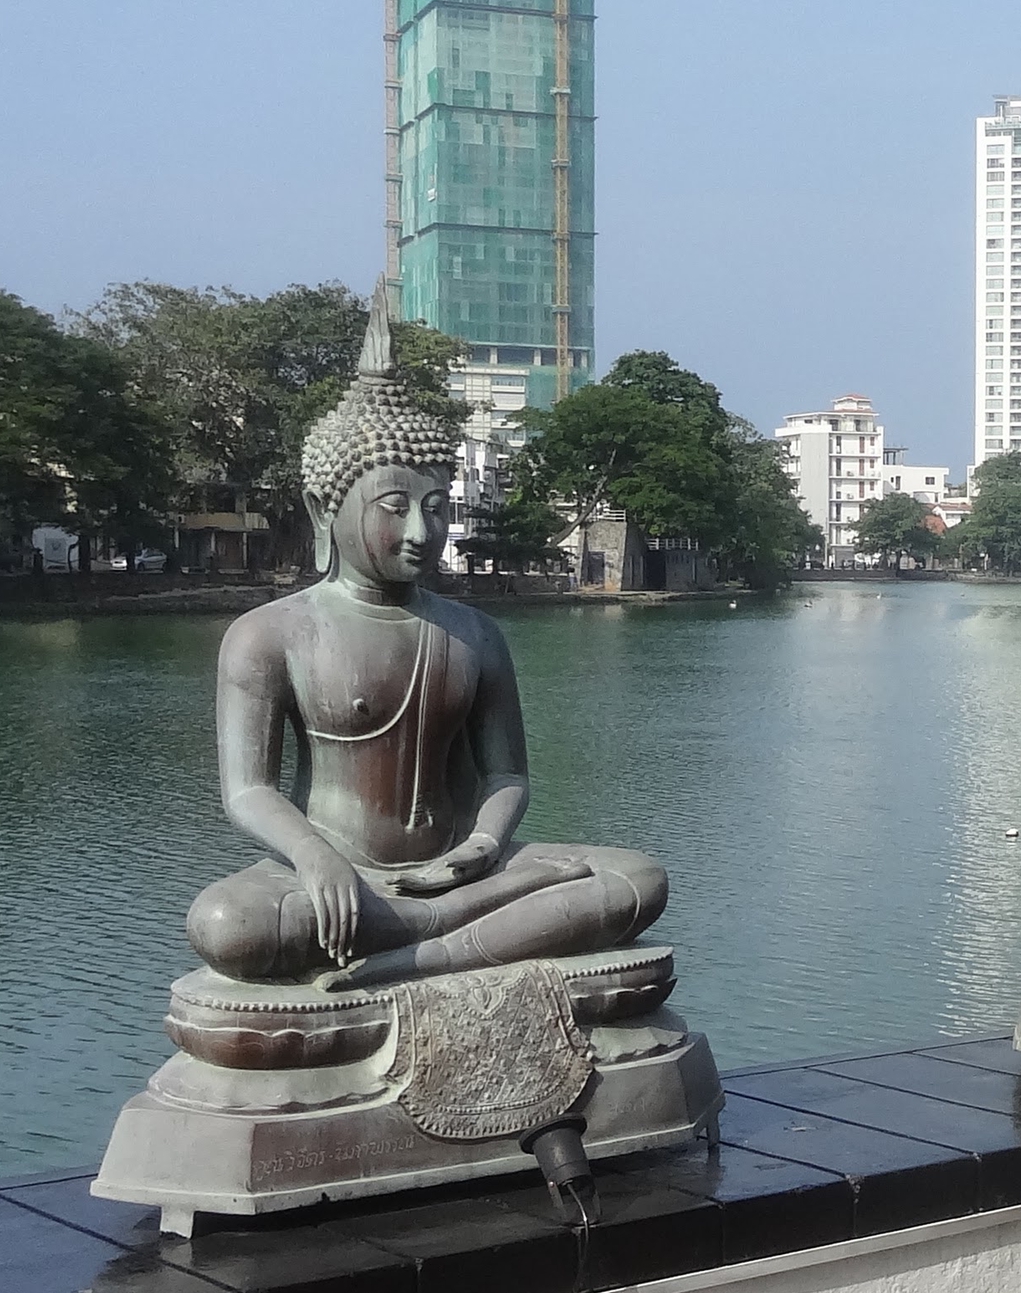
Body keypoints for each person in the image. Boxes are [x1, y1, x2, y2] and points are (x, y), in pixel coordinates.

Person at [179, 309, 664, 991]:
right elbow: (249, 789)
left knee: (636, 880)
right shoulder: (269, 634)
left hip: (461, 864)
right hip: (342, 878)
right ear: (327, 511)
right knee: (228, 924)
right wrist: (316, 858)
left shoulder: (473, 633)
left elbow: (507, 777)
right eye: (394, 505)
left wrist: (484, 846)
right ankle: (477, 926)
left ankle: (425, 949)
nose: (420, 531)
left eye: (437, 507)